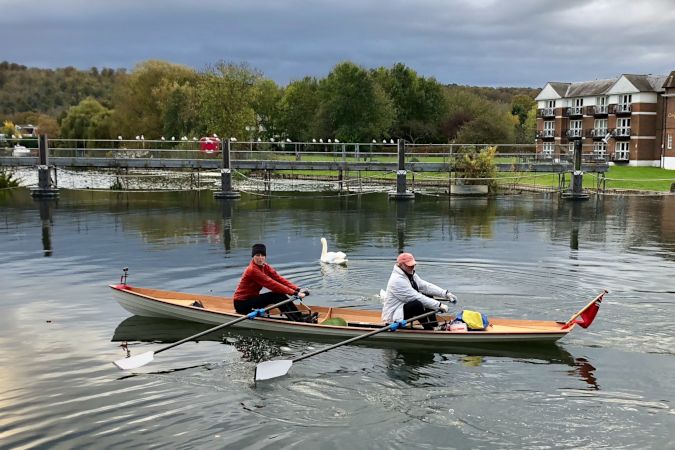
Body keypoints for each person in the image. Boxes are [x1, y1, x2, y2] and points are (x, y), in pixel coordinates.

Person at [233, 243, 315, 322]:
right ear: (253, 256)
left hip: (252, 299)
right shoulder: (252, 270)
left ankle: (298, 316)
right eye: (257, 255)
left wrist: (297, 289)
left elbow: (279, 279)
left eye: (262, 255)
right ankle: (298, 320)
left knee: (279, 294)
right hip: (242, 304)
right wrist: (294, 293)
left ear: (265, 256)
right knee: (276, 296)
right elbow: (272, 284)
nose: (260, 258)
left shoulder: (265, 266)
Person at [381, 252, 458, 330]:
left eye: (413, 265)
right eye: (409, 265)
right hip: (394, 316)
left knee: (428, 295)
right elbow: (416, 296)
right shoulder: (397, 280)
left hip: (403, 309)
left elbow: (425, 287)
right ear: (401, 265)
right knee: (416, 304)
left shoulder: (409, 273)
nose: (412, 267)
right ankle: (429, 329)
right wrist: (439, 305)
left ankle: (434, 325)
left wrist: (445, 293)